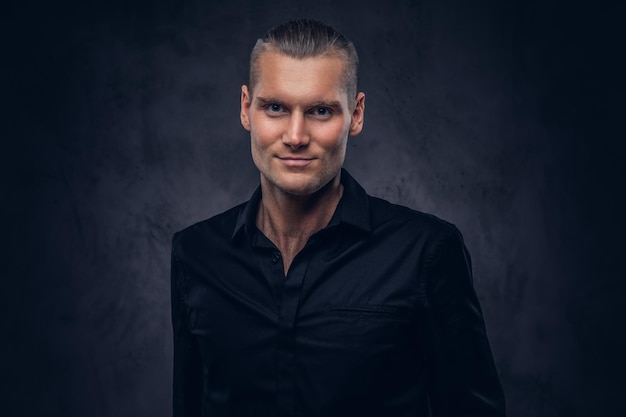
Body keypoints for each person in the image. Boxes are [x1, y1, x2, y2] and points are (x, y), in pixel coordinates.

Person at [171, 19, 505, 417]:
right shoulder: (196, 254)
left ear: (356, 114)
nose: (295, 135)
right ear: (246, 109)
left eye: (320, 110)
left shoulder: (426, 252)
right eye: (275, 107)